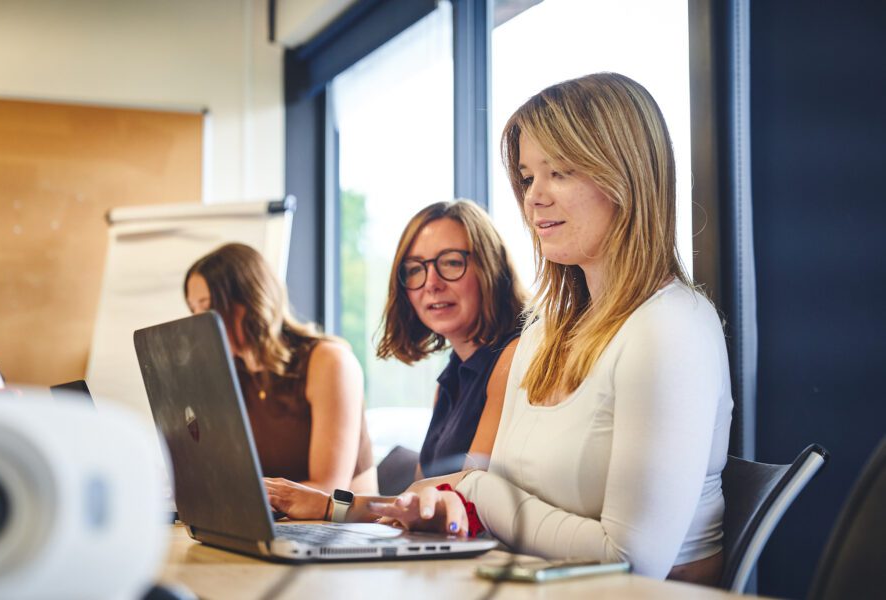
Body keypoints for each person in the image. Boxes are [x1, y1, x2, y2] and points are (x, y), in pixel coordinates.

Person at [260, 73, 733, 585]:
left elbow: (628, 559)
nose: (534, 198)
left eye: (561, 172)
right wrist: (430, 500)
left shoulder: (669, 328)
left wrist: (478, 490)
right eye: (529, 177)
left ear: (628, 175)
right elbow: (486, 499)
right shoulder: (544, 333)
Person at [184, 243, 376, 494]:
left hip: (343, 527)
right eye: (193, 309)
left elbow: (327, 490)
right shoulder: (232, 374)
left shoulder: (329, 362)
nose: (197, 322)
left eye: (207, 306)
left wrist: (240, 497)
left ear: (250, 301)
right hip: (279, 524)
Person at [376, 200, 528, 478]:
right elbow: (419, 499)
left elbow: (467, 495)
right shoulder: (451, 377)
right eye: (415, 269)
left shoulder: (516, 356)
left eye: (451, 262)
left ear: (490, 267)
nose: (432, 283)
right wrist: (333, 505)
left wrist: (336, 506)